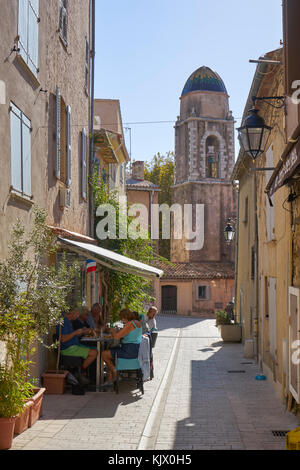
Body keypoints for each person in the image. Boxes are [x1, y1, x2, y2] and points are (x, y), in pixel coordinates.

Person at [101, 309, 142, 385]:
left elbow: (116, 337)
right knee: (111, 351)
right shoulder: (137, 323)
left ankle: (115, 373)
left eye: (121, 318)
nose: (121, 320)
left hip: (128, 351)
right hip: (135, 350)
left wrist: (112, 330)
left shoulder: (130, 324)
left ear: (125, 317)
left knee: (104, 354)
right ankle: (111, 379)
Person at [57, 308, 97, 383]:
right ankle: (80, 372)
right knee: (94, 353)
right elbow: (63, 339)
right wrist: (75, 332)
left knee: (95, 349)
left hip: (74, 346)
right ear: (72, 313)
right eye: (77, 314)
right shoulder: (64, 322)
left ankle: (84, 373)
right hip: (69, 348)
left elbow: (71, 335)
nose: (78, 316)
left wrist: (82, 332)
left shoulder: (68, 321)